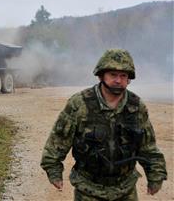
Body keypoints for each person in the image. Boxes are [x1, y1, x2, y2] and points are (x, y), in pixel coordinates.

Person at [40, 49, 167, 200]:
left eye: (123, 75)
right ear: (101, 75)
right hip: (88, 189)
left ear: (128, 79)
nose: (118, 80)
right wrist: (53, 170)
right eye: (113, 74)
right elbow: (58, 140)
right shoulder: (79, 103)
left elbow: (148, 146)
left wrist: (155, 175)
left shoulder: (136, 106)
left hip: (125, 189)